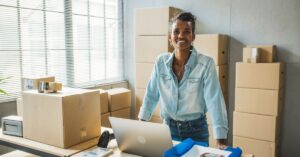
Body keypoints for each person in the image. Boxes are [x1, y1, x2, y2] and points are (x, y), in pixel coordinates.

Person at [138, 12, 228, 149]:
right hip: (168, 130)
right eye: (176, 31)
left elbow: (215, 101)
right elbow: (151, 95)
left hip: (196, 132)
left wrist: (221, 140)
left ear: (193, 37)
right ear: (170, 37)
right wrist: (140, 124)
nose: (180, 36)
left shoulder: (206, 64)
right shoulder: (160, 62)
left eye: (186, 31)